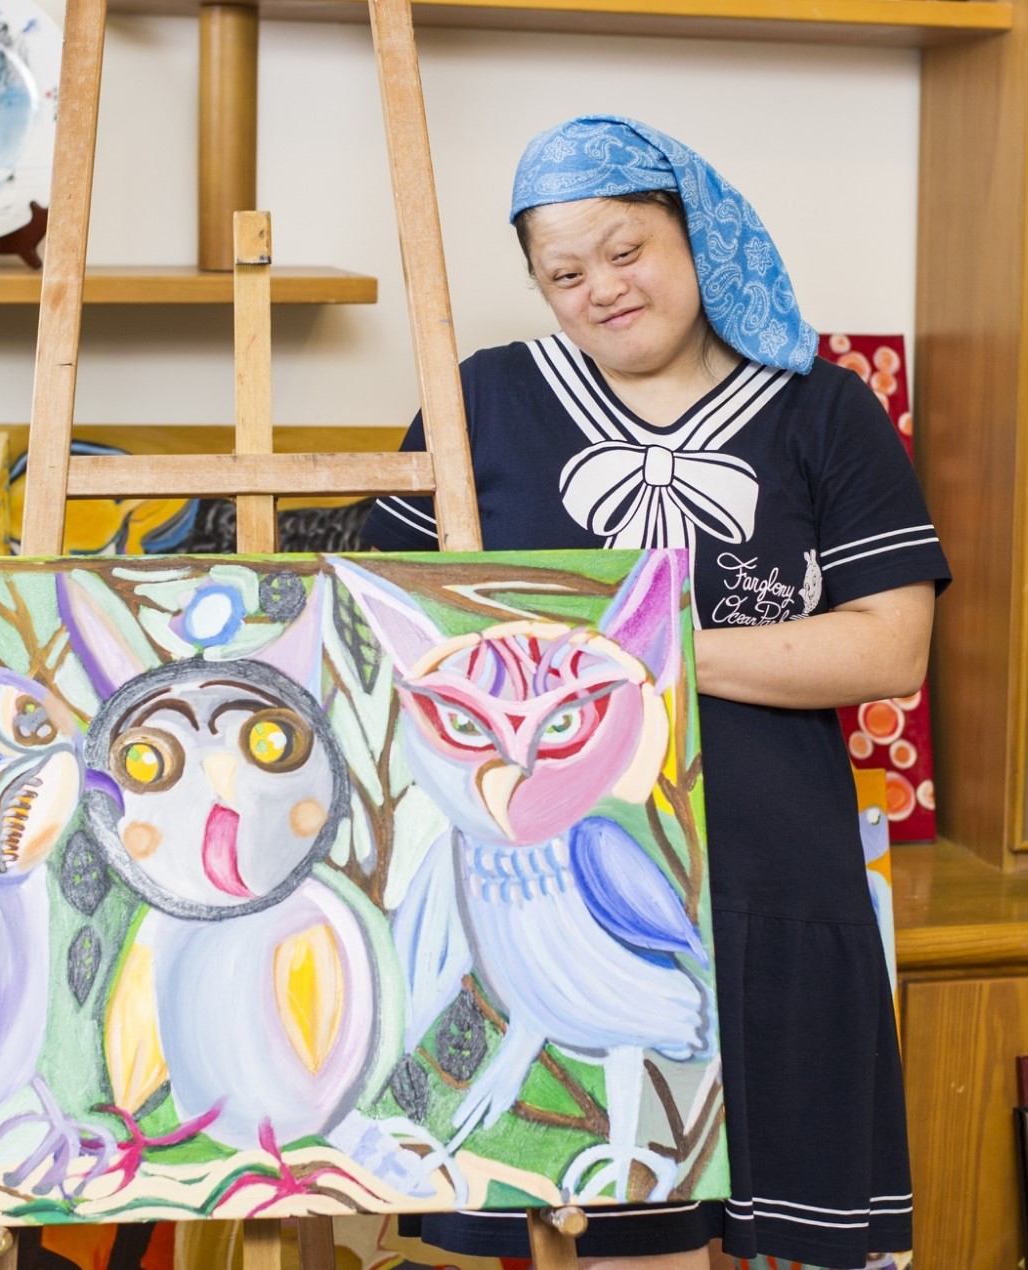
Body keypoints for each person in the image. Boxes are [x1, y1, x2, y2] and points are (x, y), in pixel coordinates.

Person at [360, 114, 949, 1270]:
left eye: (624, 250)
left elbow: (889, 648)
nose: (601, 289)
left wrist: (635, 660)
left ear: (698, 230)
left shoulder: (823, 409)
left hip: (770, 873)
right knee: (619, 1220)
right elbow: (390, 622)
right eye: (563, 273)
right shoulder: (480, 399)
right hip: (546, 894)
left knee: (752, 1213)